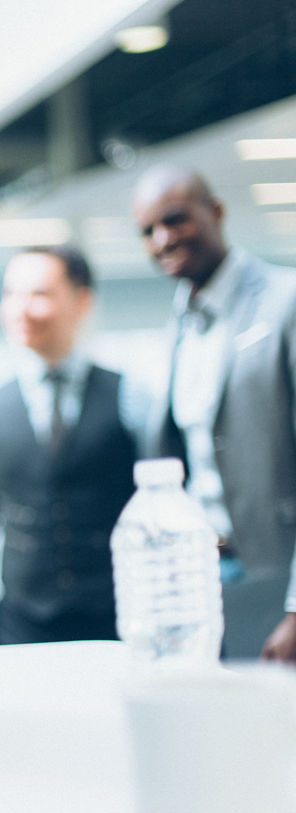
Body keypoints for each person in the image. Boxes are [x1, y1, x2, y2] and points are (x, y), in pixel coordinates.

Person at [132, 163, 296, 661]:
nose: (163, 238)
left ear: (217, 212)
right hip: (203, 586)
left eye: (176, 219)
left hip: (277, 578)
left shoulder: (284, 301)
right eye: (147, 230)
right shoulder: (177, 328)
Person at [0, 245, 140, 646]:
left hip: (117, 625)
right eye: (10, 295)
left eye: (38, 294)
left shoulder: (131, 397)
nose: (19, 309)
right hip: (19, 628)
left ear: (82, 302)